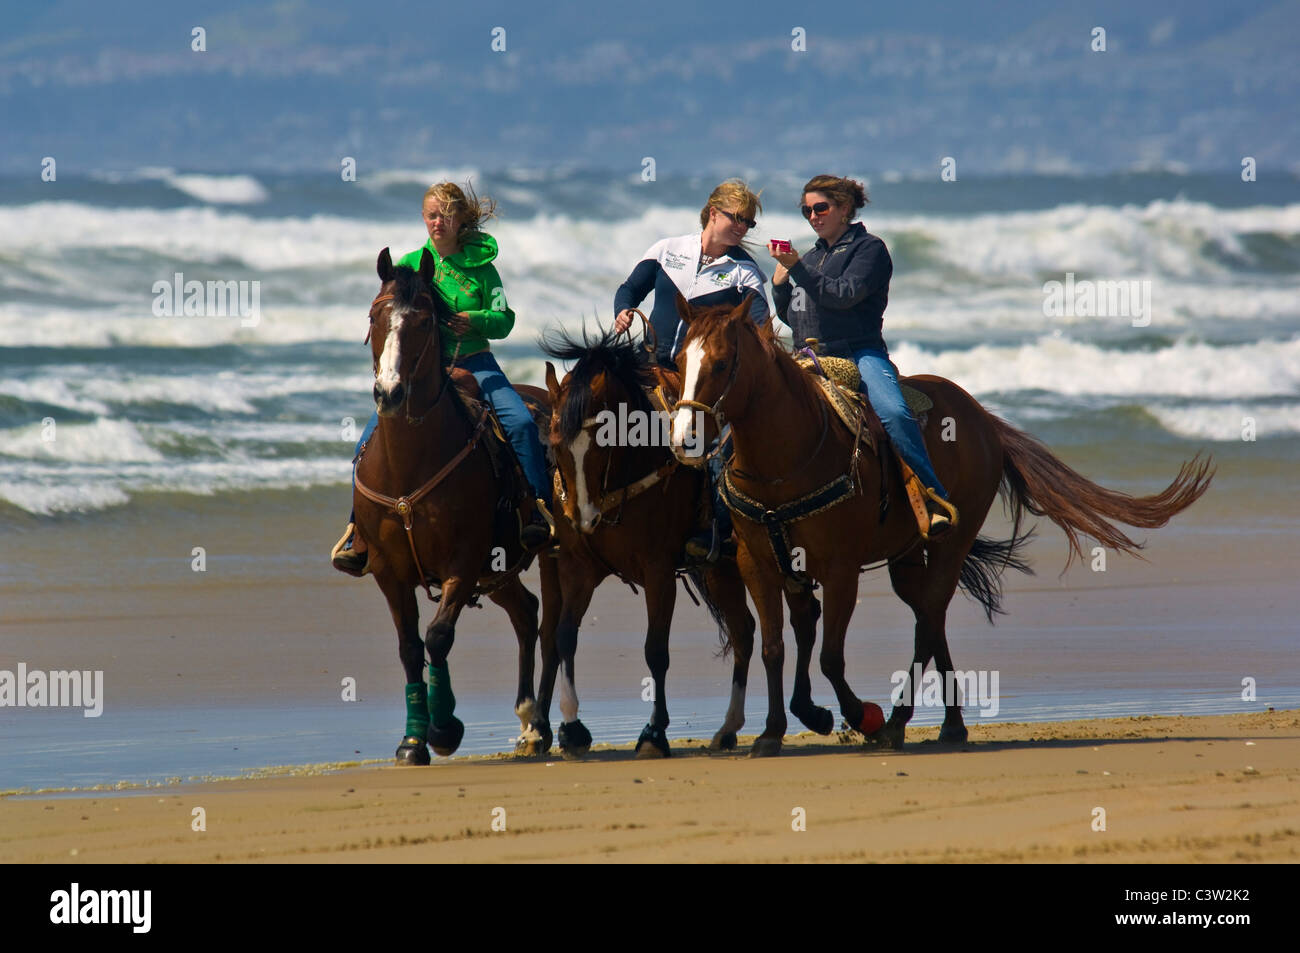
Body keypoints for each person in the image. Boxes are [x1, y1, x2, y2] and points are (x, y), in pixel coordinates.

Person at [332, 182, 552, 576]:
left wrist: (475, 320)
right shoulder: (412, 264)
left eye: (447, 215)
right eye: (432, 215)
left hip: (478, 361)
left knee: (519, 422)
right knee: (368, 439)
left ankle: (536, 509)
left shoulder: (484, 271)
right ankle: (358, 532)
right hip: (426, 371)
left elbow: (505, 320)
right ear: (423, 218)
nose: (439, 222)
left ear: (460, 220)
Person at [769, 174, 955, 536]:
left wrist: (797, 269)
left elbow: (842, 295)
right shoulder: (811, 256)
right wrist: (780, 287)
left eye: (820, 208)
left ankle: (933, 496)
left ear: (844, 209)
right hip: (808, 354)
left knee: (894, 412)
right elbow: (794, 317)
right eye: (806, 210)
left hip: (859, 353)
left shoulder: (869, 250)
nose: (813, 216)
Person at [613, 179, 770, 563]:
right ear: (713, 212)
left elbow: (762, 328)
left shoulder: (745, 272)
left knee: (712, 448)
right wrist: (623, 309)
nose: (742, 228)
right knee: (595, 410)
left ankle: (709, 528)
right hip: (650, 361)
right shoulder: (668, 250)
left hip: (703, 378)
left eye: (748, 223)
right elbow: (630, 287)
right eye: (737, 218)